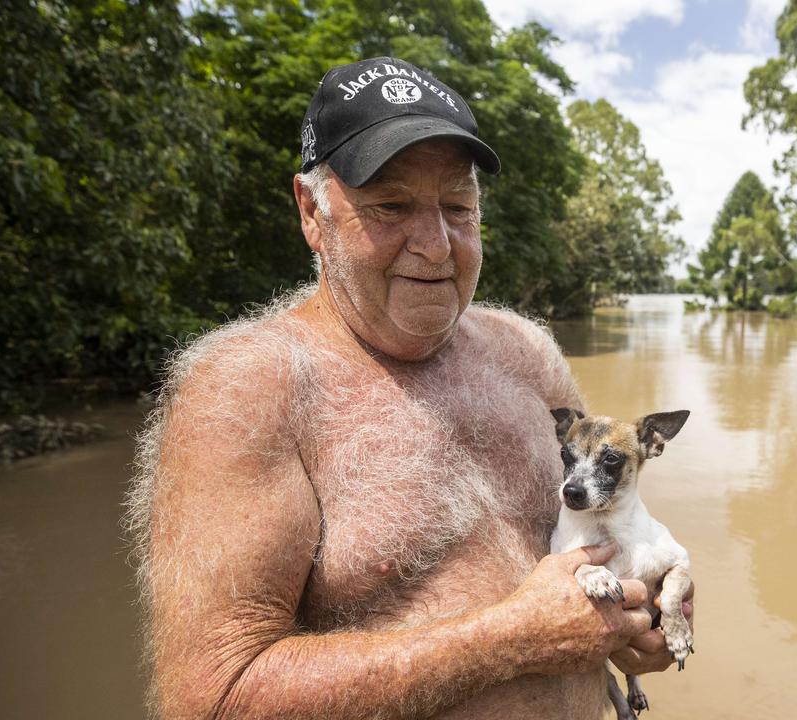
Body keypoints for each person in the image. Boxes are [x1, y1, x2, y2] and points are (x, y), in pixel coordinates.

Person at [127, 56, 691, 719]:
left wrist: (641, 616)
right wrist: (510, 641)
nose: (436, 245)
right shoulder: (248, 389)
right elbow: (212, 701)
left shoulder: (527, 355)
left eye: (458, 206)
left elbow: (600, 529)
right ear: (312, 211)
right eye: (391, 206)